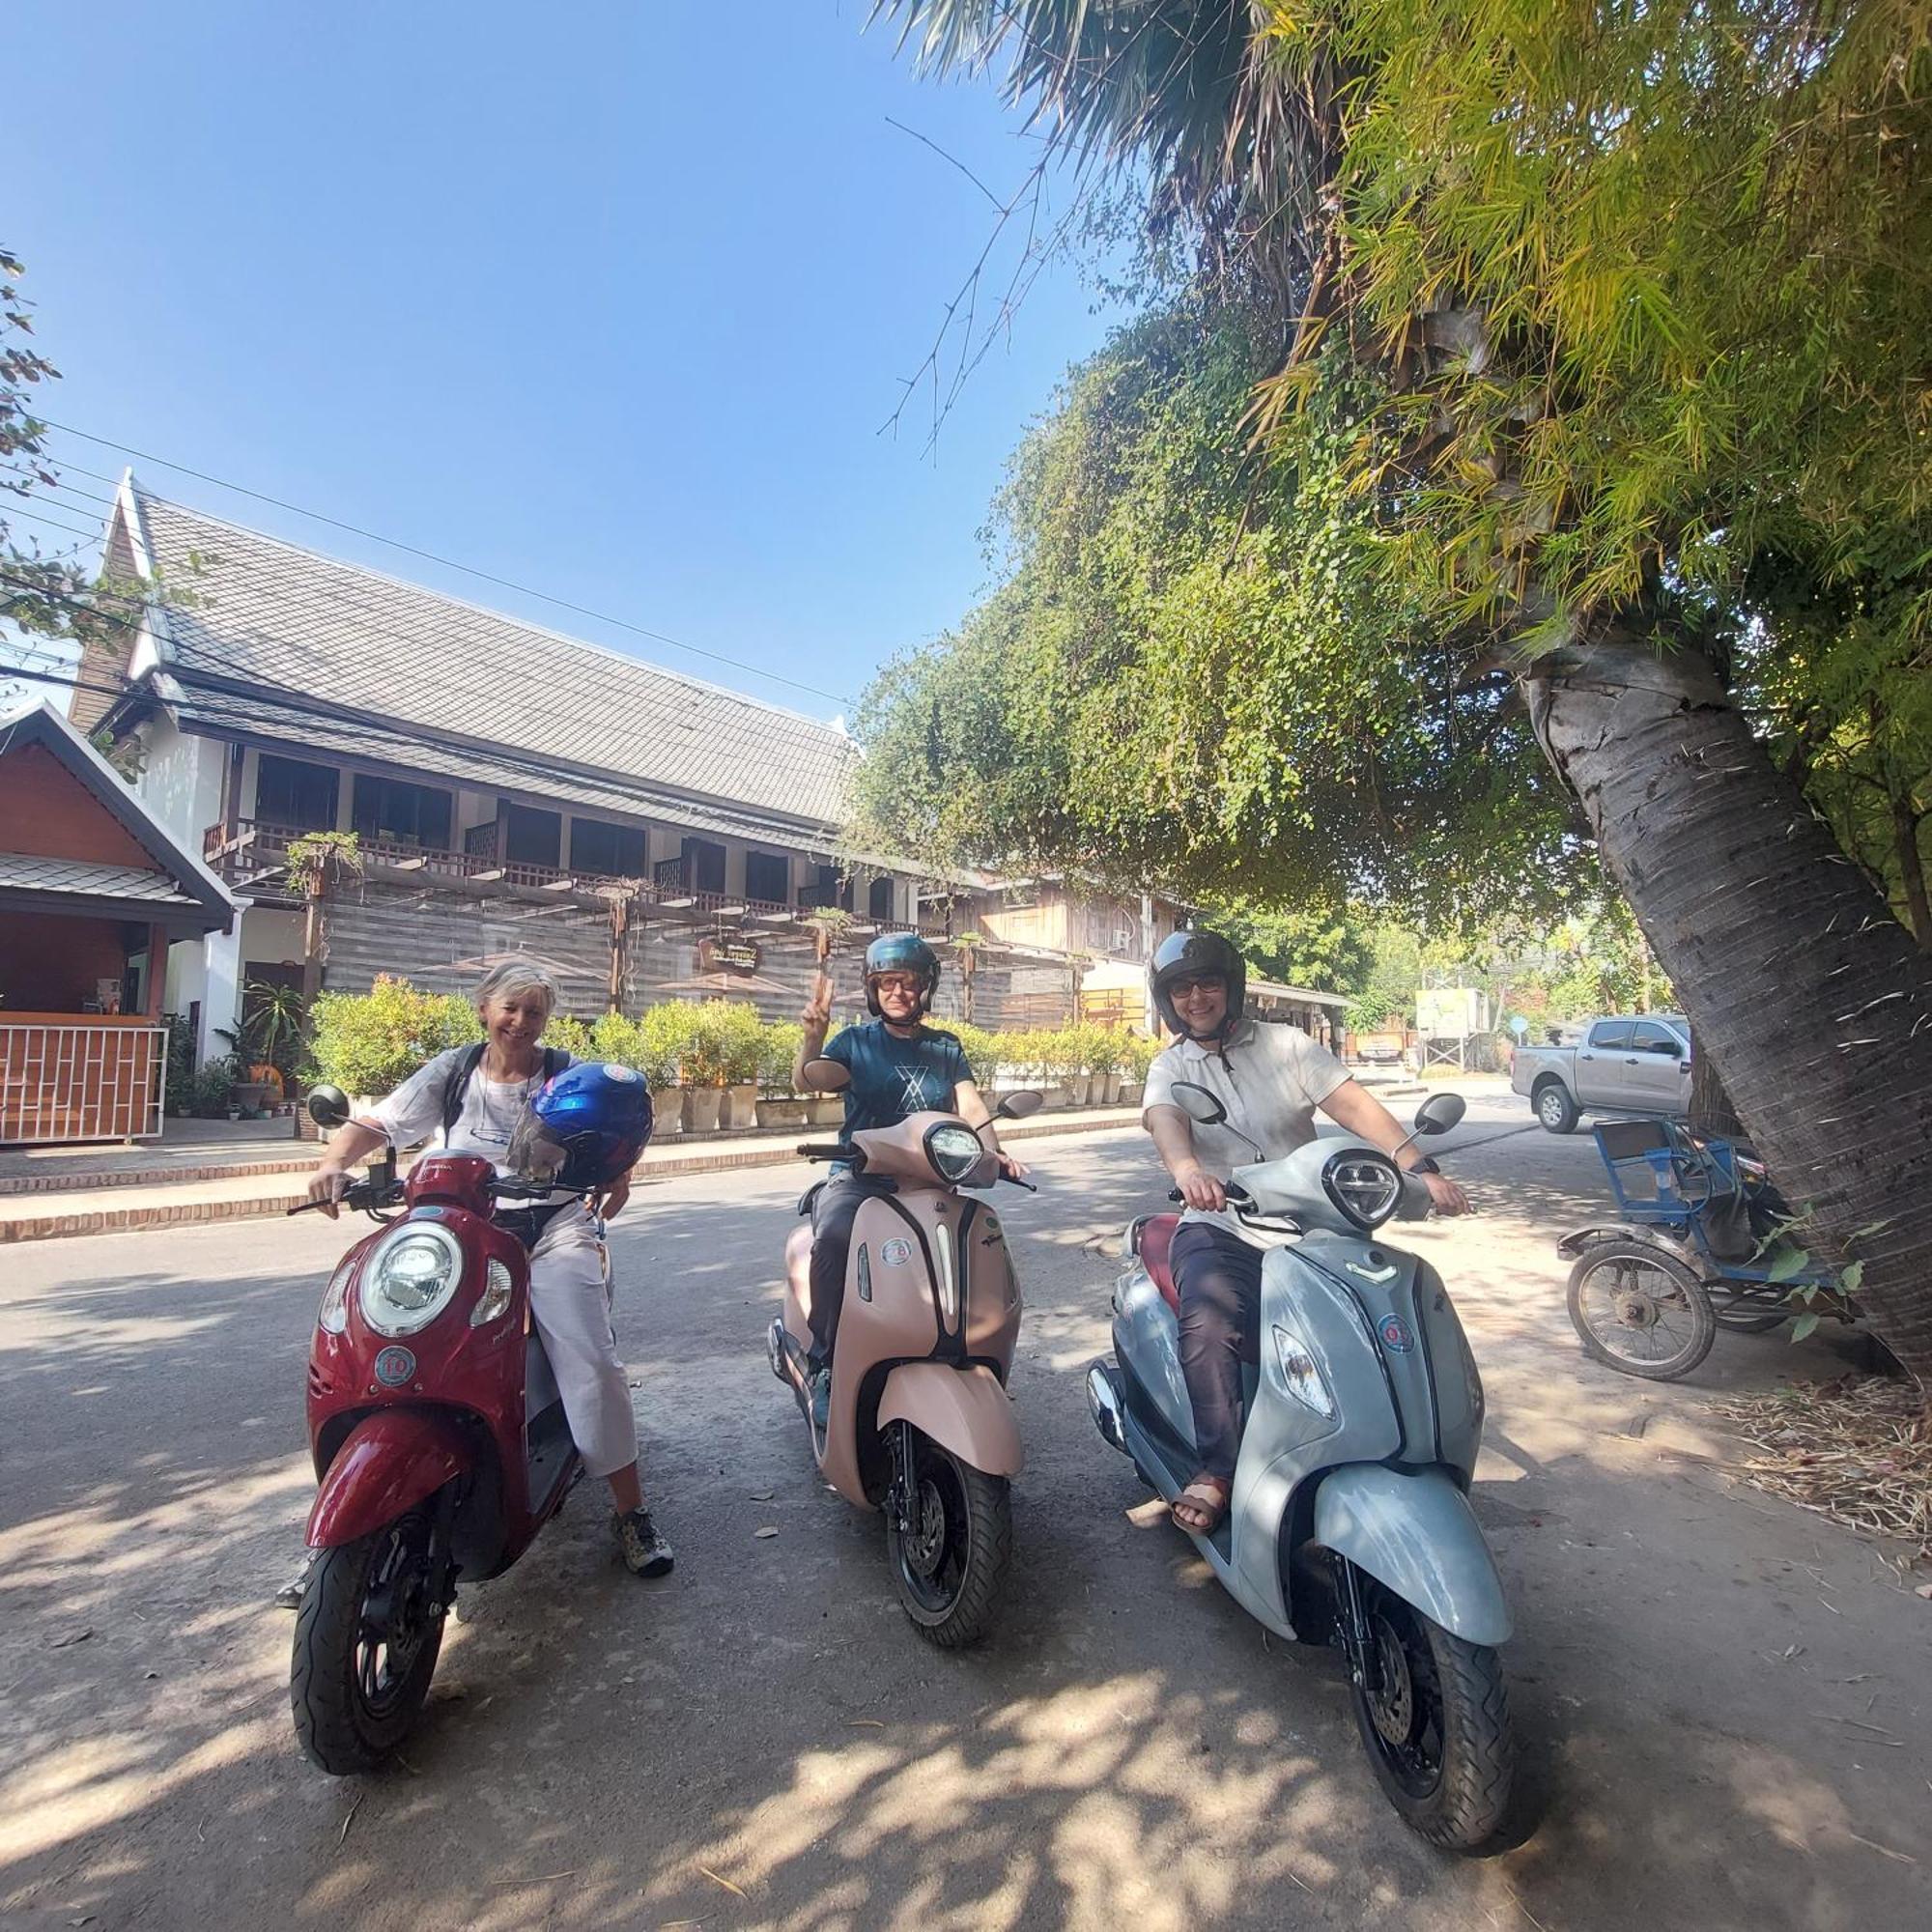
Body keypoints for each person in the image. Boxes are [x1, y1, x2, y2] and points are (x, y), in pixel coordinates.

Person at [280, 960, 671, 1601]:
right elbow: (378, 1124)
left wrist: (615, 1171)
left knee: (590, 1357)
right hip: (459, 1228)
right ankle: (340, 1541)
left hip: (551, 1226)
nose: (520, 1022)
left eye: (534, 1012)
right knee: (372, 1338)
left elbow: (612, 1134)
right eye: (510, 1008)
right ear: (484, 1009)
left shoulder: (561, 1072)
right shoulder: (454, 1070)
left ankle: (631, 1512)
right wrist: (331, 1165)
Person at [1141, 930, 1470, 1534]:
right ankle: (1218, 1468)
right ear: (1168, 1000)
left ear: (1230, 987)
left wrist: (1417, 1165)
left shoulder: (1286, 1044)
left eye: (1208, 983)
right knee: (1212, 1319)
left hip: (1311, 1221)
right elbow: (1167, 1120)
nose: (1196, 997)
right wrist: (1188, 1171)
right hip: (1223, 1222)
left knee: (1383, 1307)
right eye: (1182, 989)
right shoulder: (1171, 1064)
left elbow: (1352, 1106)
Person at [793, 932, 1027, 1423]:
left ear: (927, 988)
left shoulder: (945, 1047)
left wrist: (995, 1153)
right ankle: (826, 1364)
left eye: (910, 982)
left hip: (929, 1179)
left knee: (974, 1247)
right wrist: (814, 1035)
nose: (898, 992)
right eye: (887, 982)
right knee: (834, 1238)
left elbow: (970, 1104)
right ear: (873, 989)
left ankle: (968, 1352)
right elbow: (811, 1080)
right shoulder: (856, 1042)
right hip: (861, 1178)